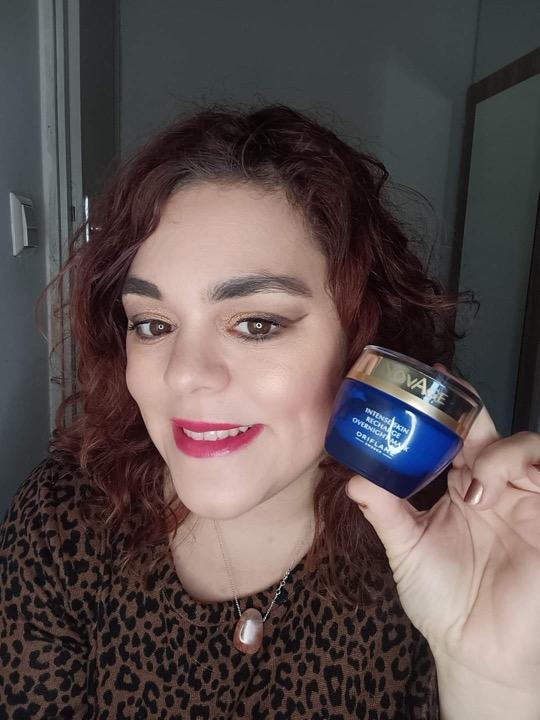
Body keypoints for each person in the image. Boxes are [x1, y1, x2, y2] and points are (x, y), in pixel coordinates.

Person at [0, 104, 538, 719]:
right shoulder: (65, 519)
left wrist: (498, 684)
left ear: (362, 343)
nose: (183, 373)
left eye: (256, 323)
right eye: (152, 324)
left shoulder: (451, 554)